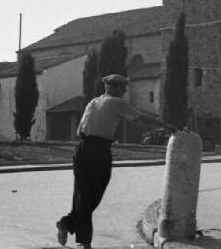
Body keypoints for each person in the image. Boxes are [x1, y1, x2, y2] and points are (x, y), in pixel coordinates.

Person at [56, 74, 176, 249]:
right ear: (113, 87)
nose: (125, 91)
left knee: (82, 195)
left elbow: (78, 130)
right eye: (123, 87)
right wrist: (165, 125)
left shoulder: (93, 102)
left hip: (81, 149)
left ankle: (68, 224)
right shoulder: (116, 103)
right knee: (94, 195)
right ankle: (83, 240)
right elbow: (141, 117)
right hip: (99, 150)